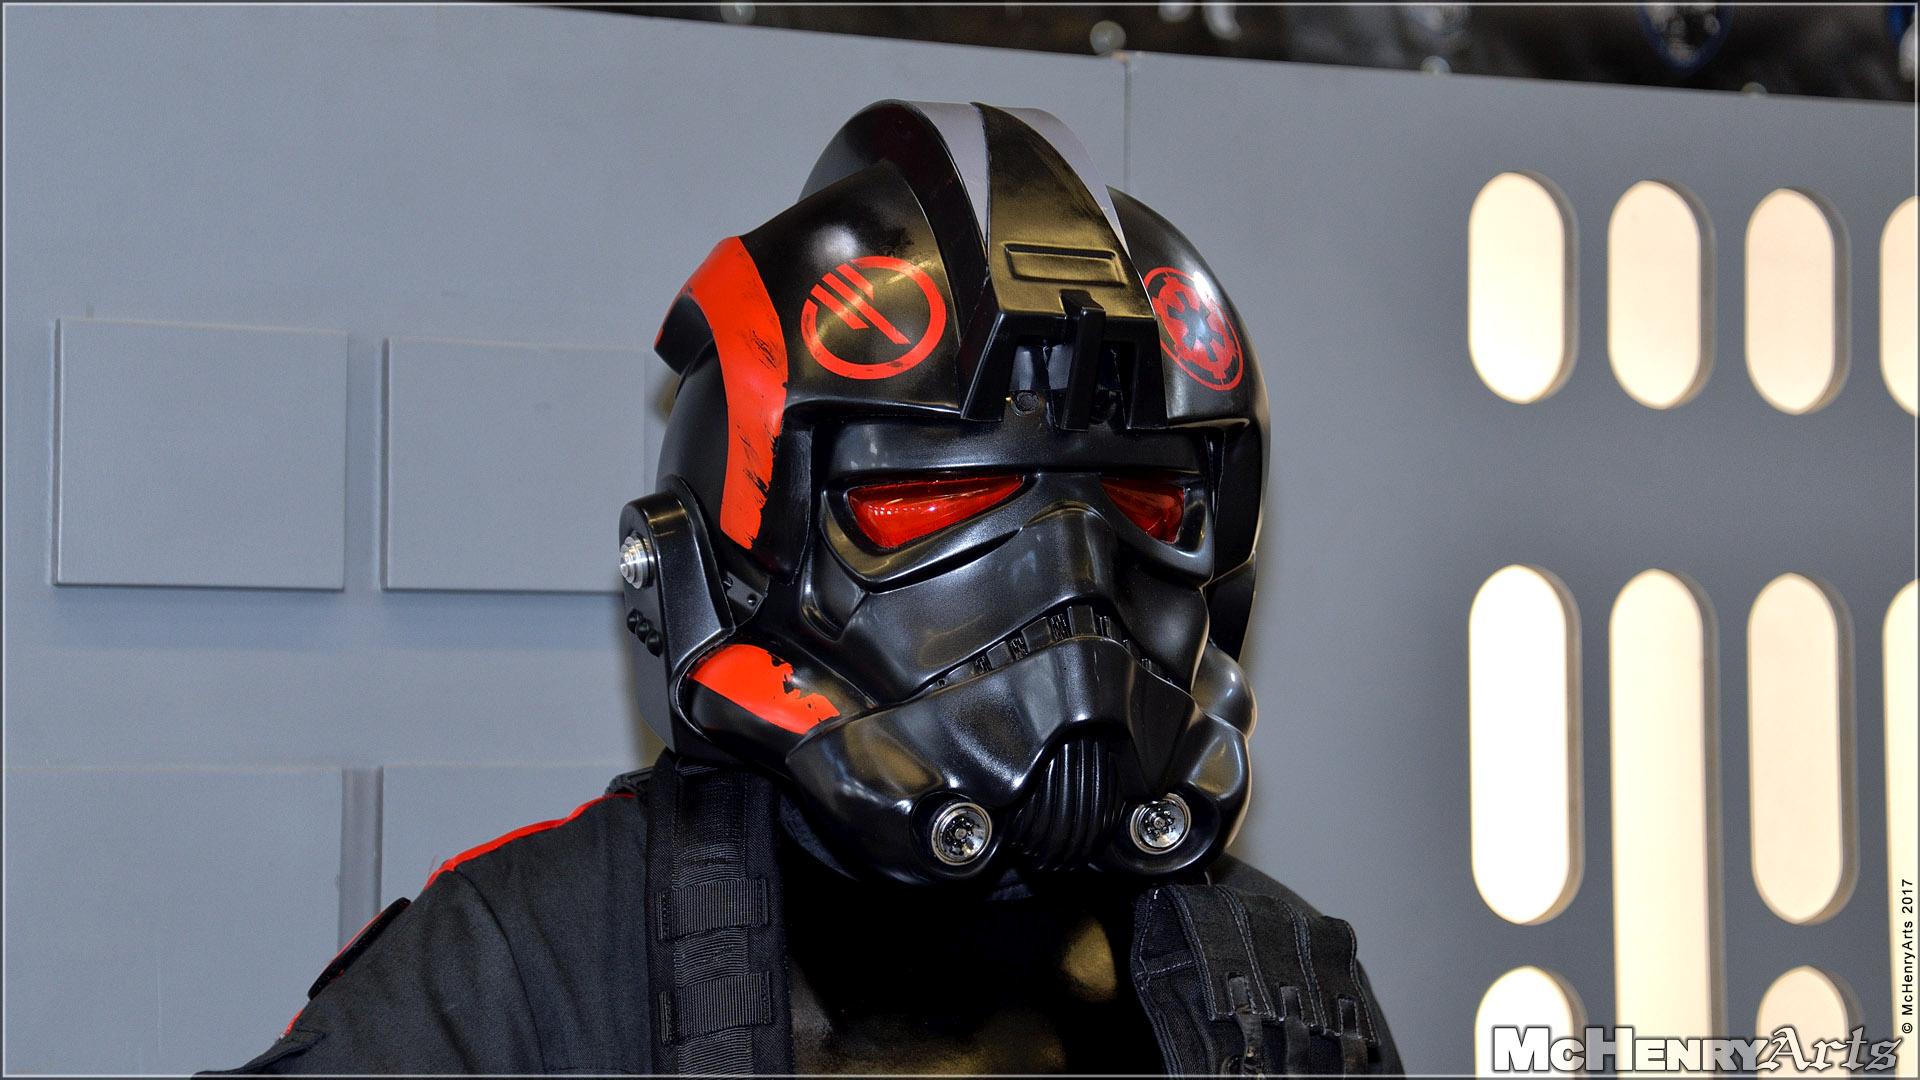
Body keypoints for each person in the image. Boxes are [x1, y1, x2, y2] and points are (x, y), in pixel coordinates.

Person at [212, 100, 1403, 1076]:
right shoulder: (538, 966)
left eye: (1144, 504)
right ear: (736, 555)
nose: (1073, 580)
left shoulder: (1282, 991)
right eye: (931, 500)